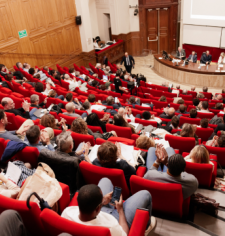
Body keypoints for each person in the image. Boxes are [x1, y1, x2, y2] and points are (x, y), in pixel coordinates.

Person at [61, 178, 156, 236]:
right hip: (115, 218)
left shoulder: (67, 212)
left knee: (105, 180)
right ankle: (146, 227)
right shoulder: (110, 227)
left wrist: (102, 201)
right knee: (145, 194)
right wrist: (120, 210)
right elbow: (124, 233)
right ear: (98, 208)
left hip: (99, 213)